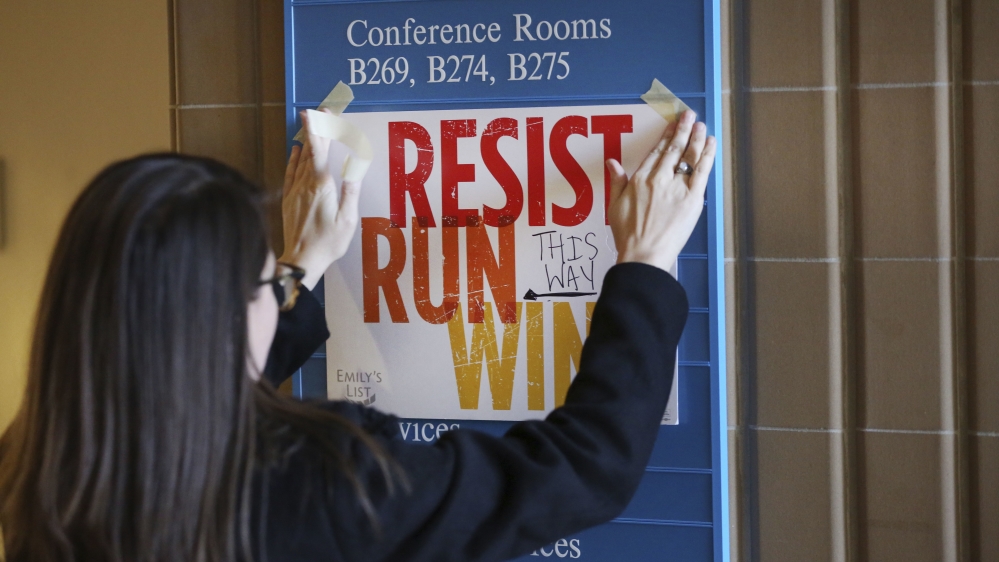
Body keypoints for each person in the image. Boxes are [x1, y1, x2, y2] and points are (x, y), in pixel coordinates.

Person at [0, 109, 715, 562]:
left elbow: (190, 382)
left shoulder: (39, 463)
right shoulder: (323, 480)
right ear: (214, 323)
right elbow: (578, 474)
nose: (275, 298)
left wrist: (301, 266)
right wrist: (646, 263)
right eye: (265, 287)